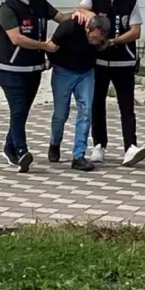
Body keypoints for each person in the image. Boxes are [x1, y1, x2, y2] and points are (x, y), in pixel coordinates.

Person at [0, 0, 93, 173]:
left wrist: (80, 13)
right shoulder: (8, 8)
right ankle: (21, 151)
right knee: (18, 110)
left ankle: (9, 147)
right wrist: (44, 46)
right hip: (11, 69)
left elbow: (61, 18)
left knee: (22, 112)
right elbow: (16, 38)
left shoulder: (40, 4)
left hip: (33, 69)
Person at [79, 0, 145, 167]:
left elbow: (135, 31)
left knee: (127, 106)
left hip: (124, 62)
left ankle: (130, 147)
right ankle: (99, 145)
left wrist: (114, 41)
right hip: (98, 62)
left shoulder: (130, 1)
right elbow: (80, 9)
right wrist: (92, 17)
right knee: (97, 104)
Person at [46, 15, 111, 172]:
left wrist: (101, 46)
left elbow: (101, 51)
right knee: (61, 114)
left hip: (86, 73)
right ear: (90, 28)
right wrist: (51, 61)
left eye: (100, 40)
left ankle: (79, 156)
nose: (96, 42)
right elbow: (51, 47)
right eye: (95, 38)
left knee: (86, 111)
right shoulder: (69, 28)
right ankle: (55, 143)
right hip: (63, 71)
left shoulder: (101, 40)